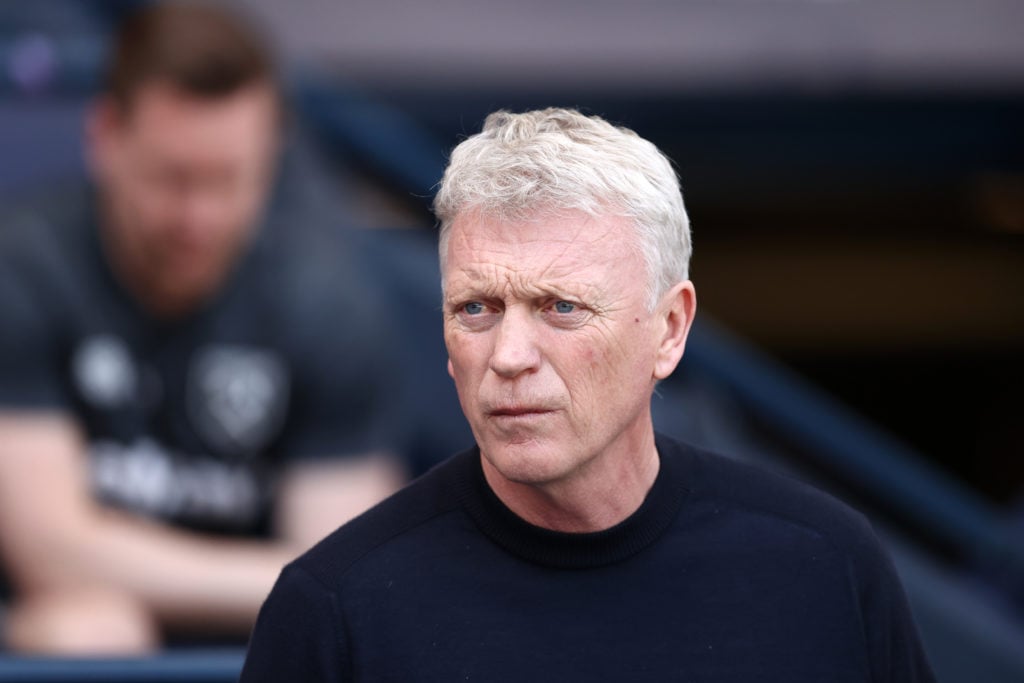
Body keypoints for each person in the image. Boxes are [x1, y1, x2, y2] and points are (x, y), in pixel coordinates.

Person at [240, 108, 936, 681]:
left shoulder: (825, 570)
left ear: (669, 329)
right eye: (476, 308)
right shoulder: (338, 609)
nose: (509, 356)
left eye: (562, 308)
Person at [0, 2, 405, 654]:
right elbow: (52, 553)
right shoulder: (20, 271)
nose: (199, 217)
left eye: (227, 182)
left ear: (270, 159)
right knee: (87, 634)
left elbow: (346, 587)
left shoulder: (326, 300)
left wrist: (291, 584)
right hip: (74, 639)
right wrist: (285, 574)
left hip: (259, 655)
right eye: (173, 179)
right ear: (104, 138)